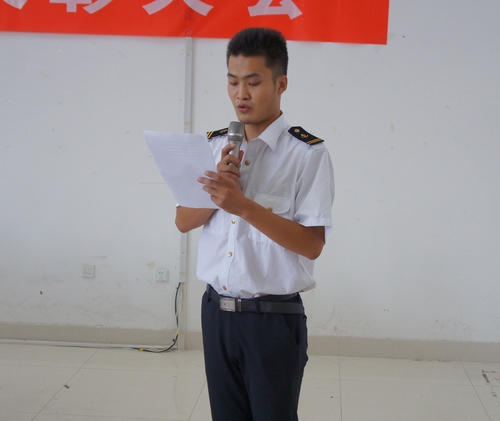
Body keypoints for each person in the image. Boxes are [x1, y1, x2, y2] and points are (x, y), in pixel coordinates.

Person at [175, 27, 334, 421]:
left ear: (281, 84)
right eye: (232, 82)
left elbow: (311, 244)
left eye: (253, 82)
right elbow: (182, 221)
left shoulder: (306, 154)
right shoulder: (214, 145)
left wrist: (244, 206)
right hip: (216, 313)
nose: (240, 94)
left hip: (272, 319)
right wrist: (217, 191)